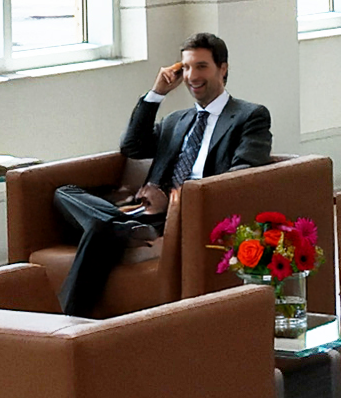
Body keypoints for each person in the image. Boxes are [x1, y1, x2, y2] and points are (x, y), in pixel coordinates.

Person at [50, 32, 272, 316]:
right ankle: (121, 227)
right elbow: (132, 146)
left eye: (201, 66)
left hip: (185, 215)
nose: (192, 76)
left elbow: (244, 173)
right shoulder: (177, 120)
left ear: (223, 68)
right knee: (64, 193)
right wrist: (156, 95)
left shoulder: (249, 116)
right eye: (187, 67)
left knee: (98, 229)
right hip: (142, 214)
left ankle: (66, 322)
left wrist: (176, 201)